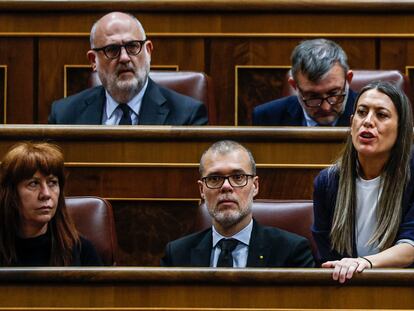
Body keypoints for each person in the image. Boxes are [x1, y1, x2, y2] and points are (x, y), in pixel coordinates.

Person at [313, 81, 414, 283]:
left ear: (402, 129)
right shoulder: (328, 182)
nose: (368, 121)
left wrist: (364, 263)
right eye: (362, 112)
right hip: (348, 289)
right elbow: (328, 254)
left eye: (381, 115)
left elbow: (411, 247)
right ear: (351, 123)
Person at [161, 140, 314, 267]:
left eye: (238, 177)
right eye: (215, 179)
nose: (226, 186)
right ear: (202, 190)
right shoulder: (177, 255)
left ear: (255, 186)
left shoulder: (291, 251)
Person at [48, 12, 208, 125]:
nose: (124, 58)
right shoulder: (65, 115)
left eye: (132, 46)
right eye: (112, 49)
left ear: (148, 51)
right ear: (93, 60)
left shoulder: (187, 116)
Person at [0, 142, 102, 266]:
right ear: (12, 193)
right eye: (33, 184)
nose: (46, 194)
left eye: (52, 182)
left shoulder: (81, 250)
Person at [252, 38, 356, 126]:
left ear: (348, 79)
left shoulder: (369, 115)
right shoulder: (266, 118)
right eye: (313, 96)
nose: (326, 107)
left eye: (333, 93)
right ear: (294, 85)